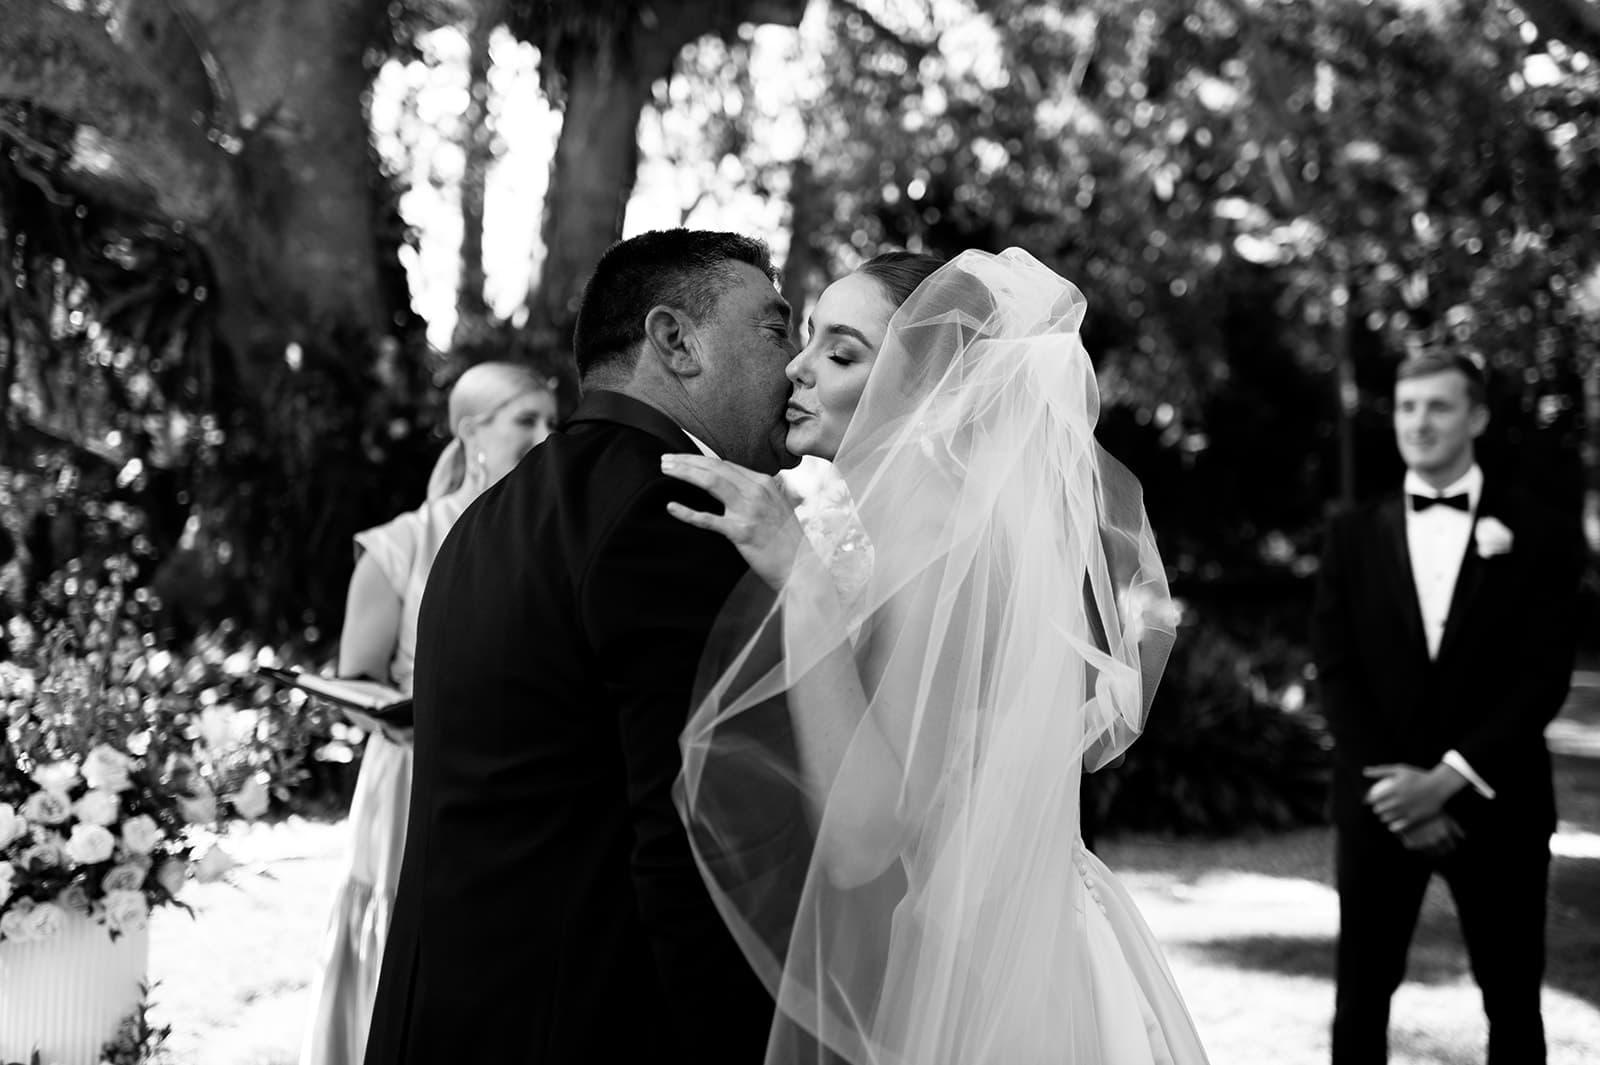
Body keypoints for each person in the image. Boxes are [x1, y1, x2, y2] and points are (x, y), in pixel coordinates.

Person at [663, 248, 1210, 1063]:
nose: (796, 371)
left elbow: (862, 837)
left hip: (978, 972)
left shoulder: (933, 546)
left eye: (841, 353)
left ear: (931, 392)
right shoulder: (913, 529)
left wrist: (805, 588)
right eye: (807, 338)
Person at [362, 229, 801, 1063]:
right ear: (675, 340)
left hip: (450, 1014)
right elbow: (697, 848)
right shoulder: (671, 514)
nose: (796, 364)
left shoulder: (491, 515)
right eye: (776, 329)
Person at [1311, 351, 1581, 1065]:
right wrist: (1403, 788)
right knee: (1360, 1003)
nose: (1419, 422)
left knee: (1514, 1003)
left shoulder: (1542, 533)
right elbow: (1336, 673)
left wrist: (1449, 778)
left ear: (1478, 415)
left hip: (1502, 804)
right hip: (1380, 805)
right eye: (1406, 406)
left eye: (1438, 405)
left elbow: (1543, 676)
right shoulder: (1350, 533)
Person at [299, 362, 558, 1065]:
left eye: (550, 423)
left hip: (516, 786)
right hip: (413, 780)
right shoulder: (398, 545)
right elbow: (356, 678)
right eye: (525, 420)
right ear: (472, 431)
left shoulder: (548, 539)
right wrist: (400, 716)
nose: (546, 437)